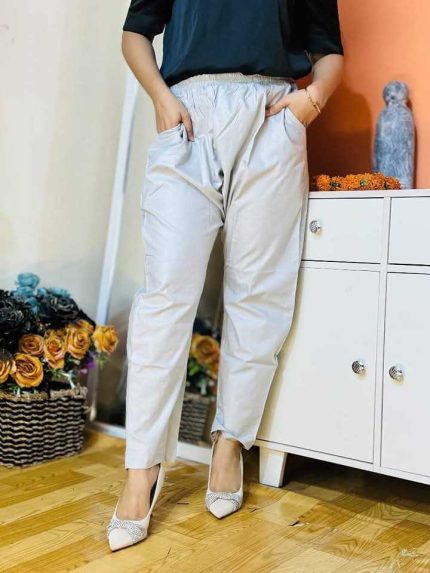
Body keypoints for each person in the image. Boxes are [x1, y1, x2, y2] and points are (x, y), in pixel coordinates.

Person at [107, 0, 344, 552]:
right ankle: (141, 469)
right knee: (166, 294)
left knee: (259, 293)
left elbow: (329, 54)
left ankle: (230, 443)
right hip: (188, 115)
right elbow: (135, 34)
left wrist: (310, 102)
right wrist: (162, 98)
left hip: (272, 118)